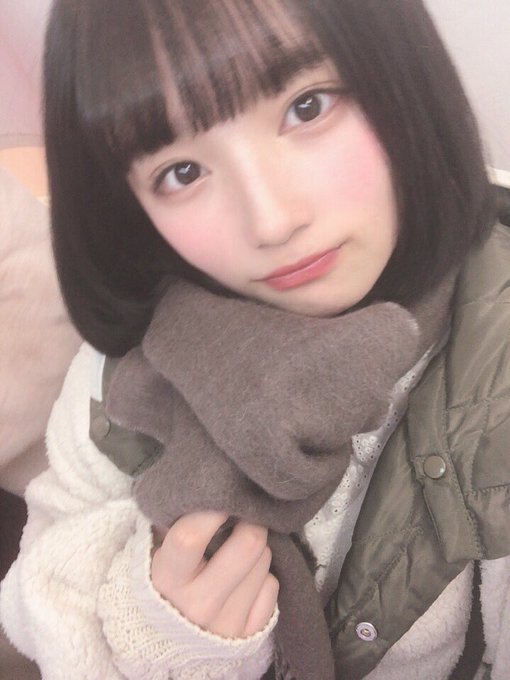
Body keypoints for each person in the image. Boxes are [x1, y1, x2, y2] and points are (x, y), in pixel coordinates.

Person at [1, 1, 509, 678]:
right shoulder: (125, 367)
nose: (270, 221)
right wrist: (156, 634)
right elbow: (39, 585)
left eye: (307, 107)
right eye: (182, 172)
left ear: (401, 74)